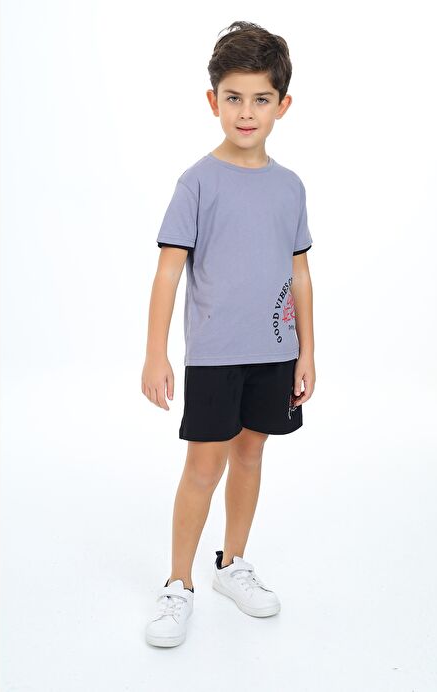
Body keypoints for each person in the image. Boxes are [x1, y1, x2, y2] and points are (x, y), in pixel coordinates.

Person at [141, 20, 316, 648]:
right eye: (234, 98)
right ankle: (178, 583)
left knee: (251, 453)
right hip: (215, 355)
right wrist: (156, 353)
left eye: (261, 99)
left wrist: (307, 352)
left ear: (282, 105)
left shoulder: (290, 187)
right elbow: (168, 272)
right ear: (213, 100)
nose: (246, 112)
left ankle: (232, 564)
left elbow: (300, 274)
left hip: (274, 351)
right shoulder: (197, 182)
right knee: (203, 464)